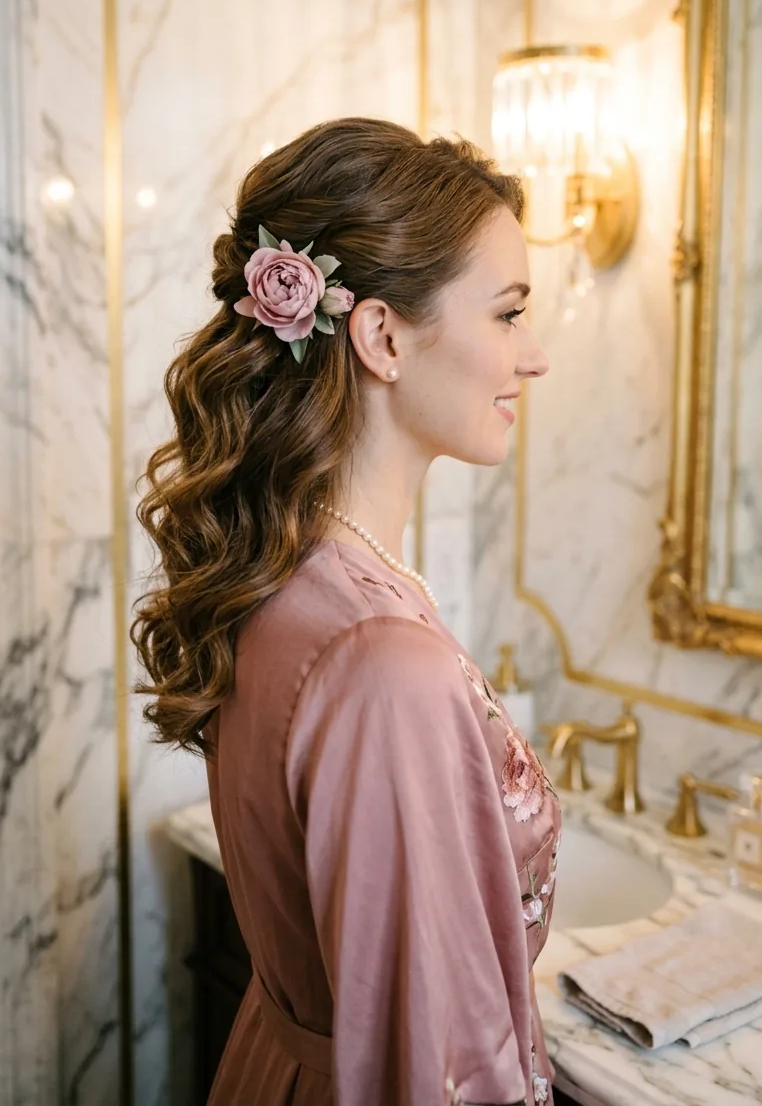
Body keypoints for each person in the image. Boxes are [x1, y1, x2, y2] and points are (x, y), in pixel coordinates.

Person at [133, 117, 559, 1105]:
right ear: (380, 337)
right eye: (507, 313)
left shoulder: (281, 574)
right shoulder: (380, 657)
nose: (533, 356)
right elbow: (436, 1068)